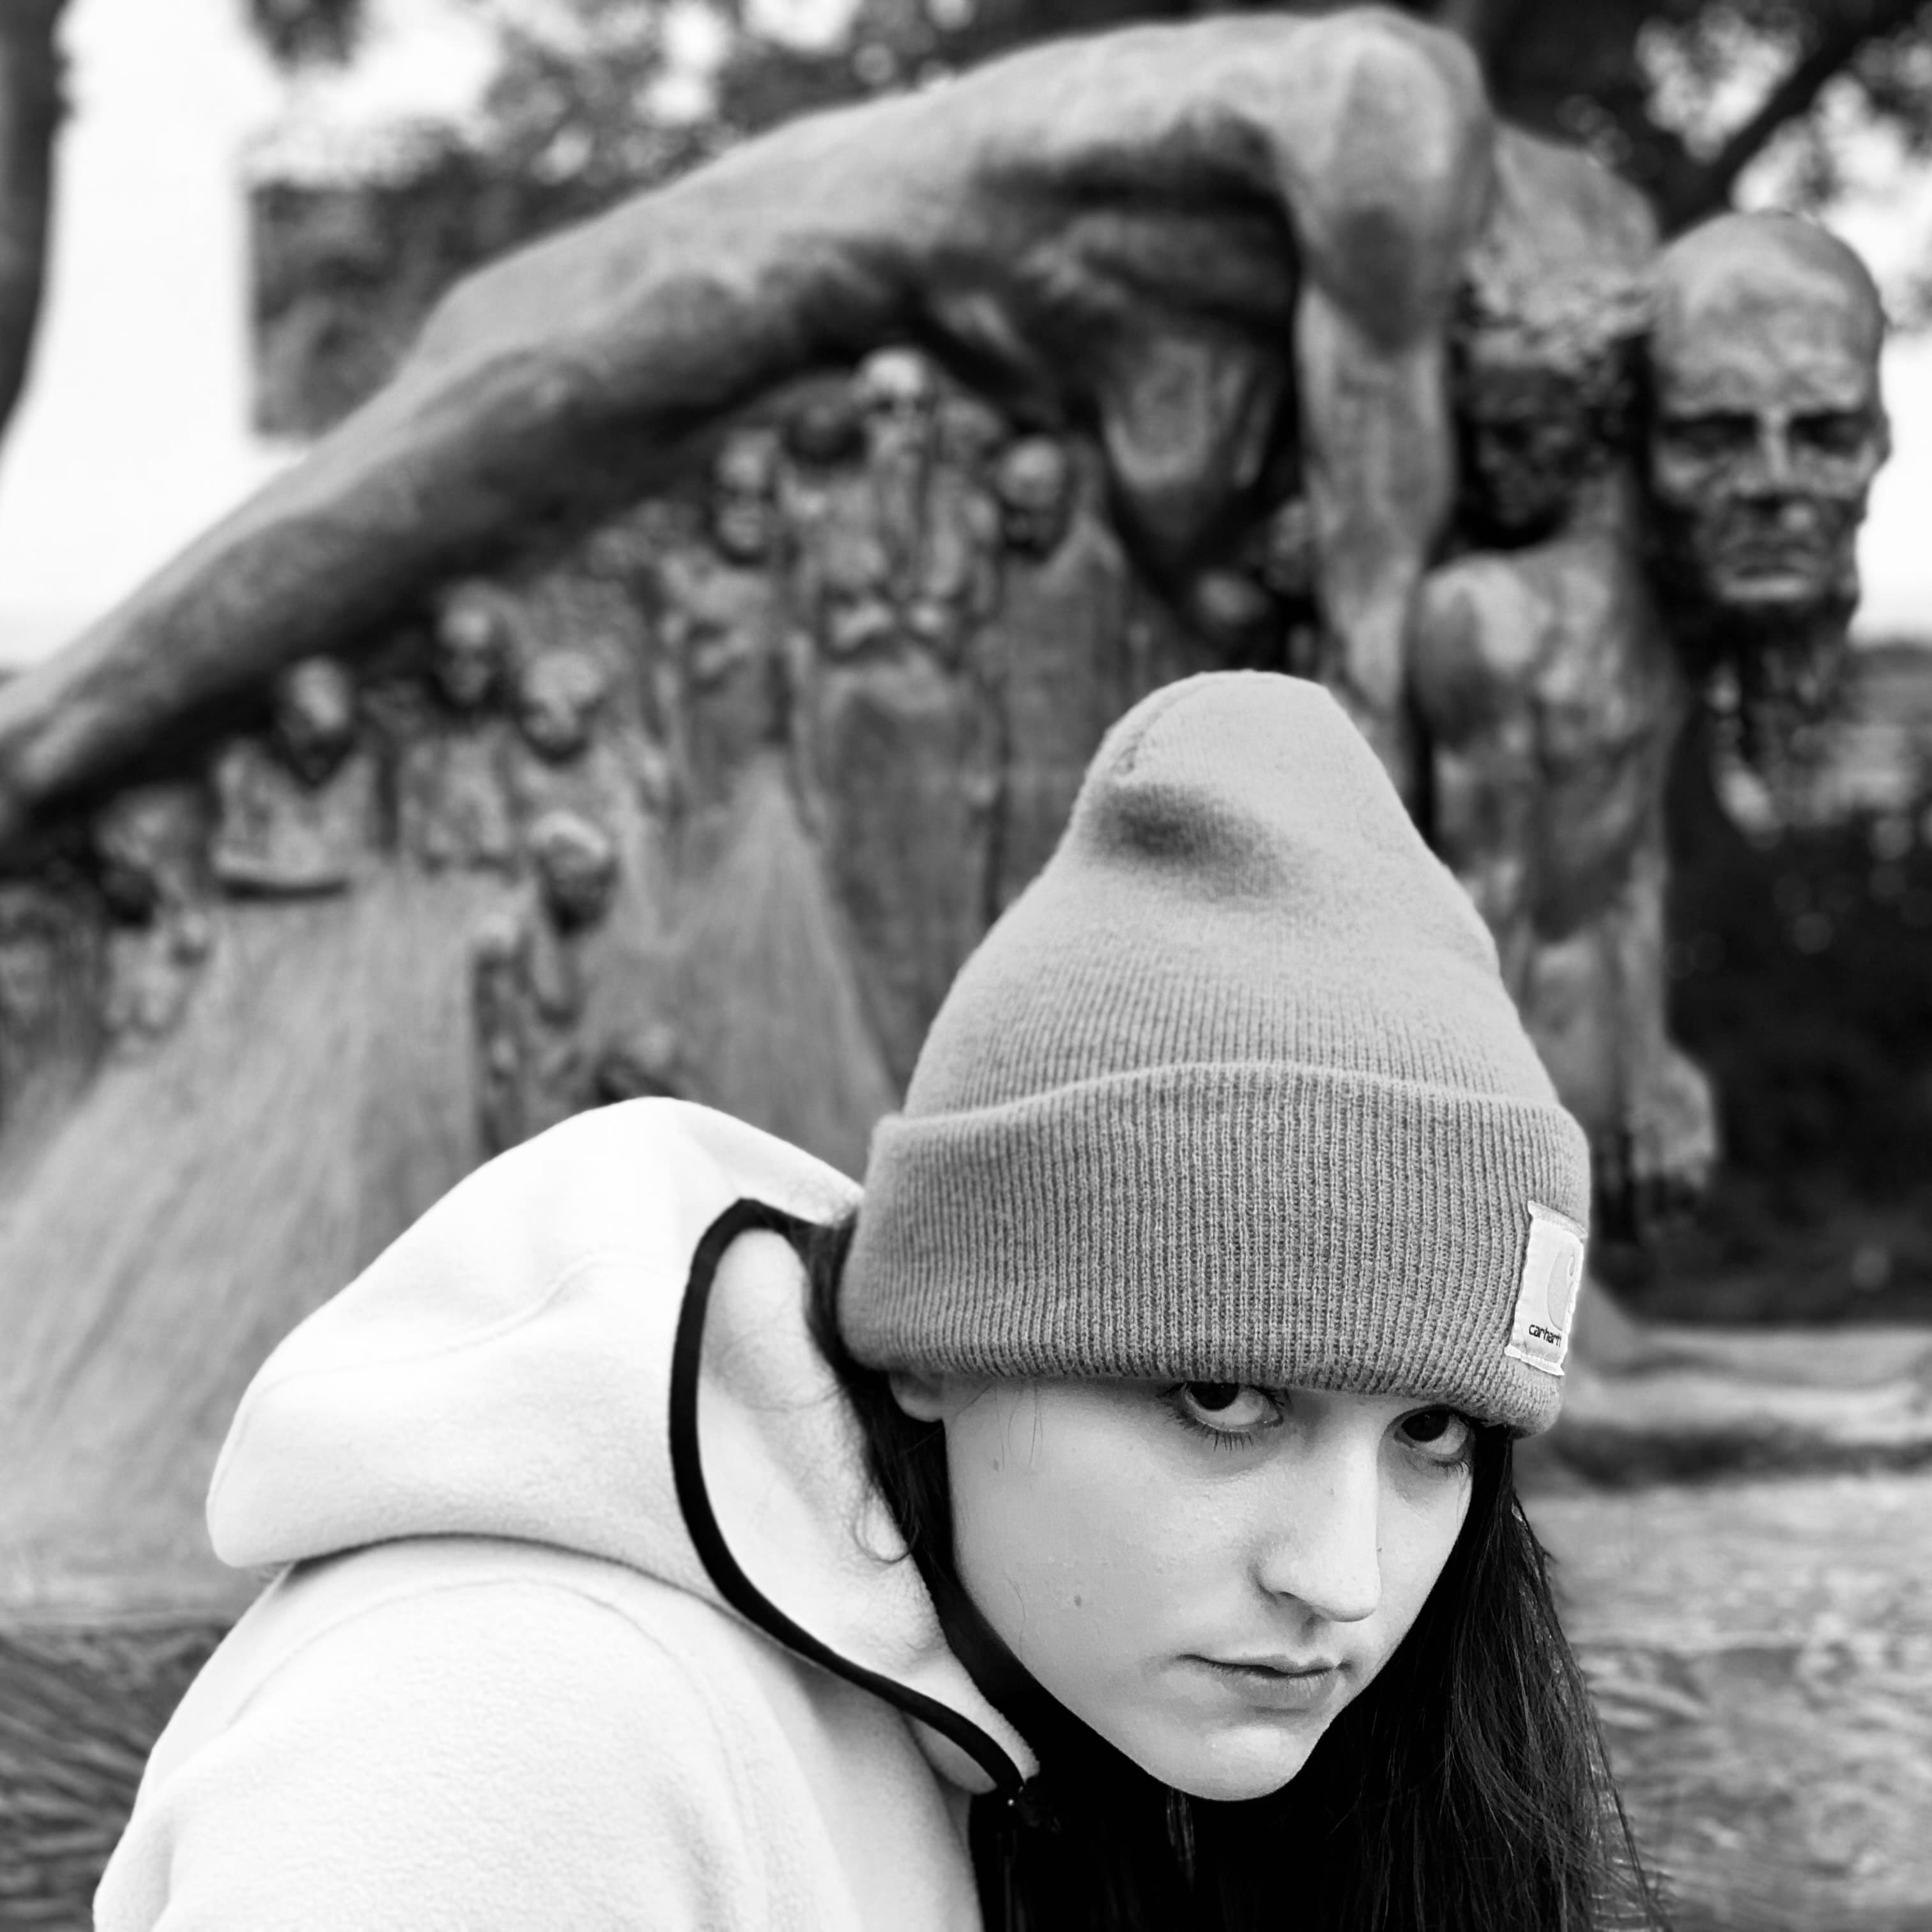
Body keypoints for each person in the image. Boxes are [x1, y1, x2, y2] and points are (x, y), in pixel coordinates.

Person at [96, 674, 1657, 1932]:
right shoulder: (513, 1732)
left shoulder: (1105, 1729)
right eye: (1225, 1398)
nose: (1344, 1580)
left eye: (1434, 1430)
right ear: (936, 1352)